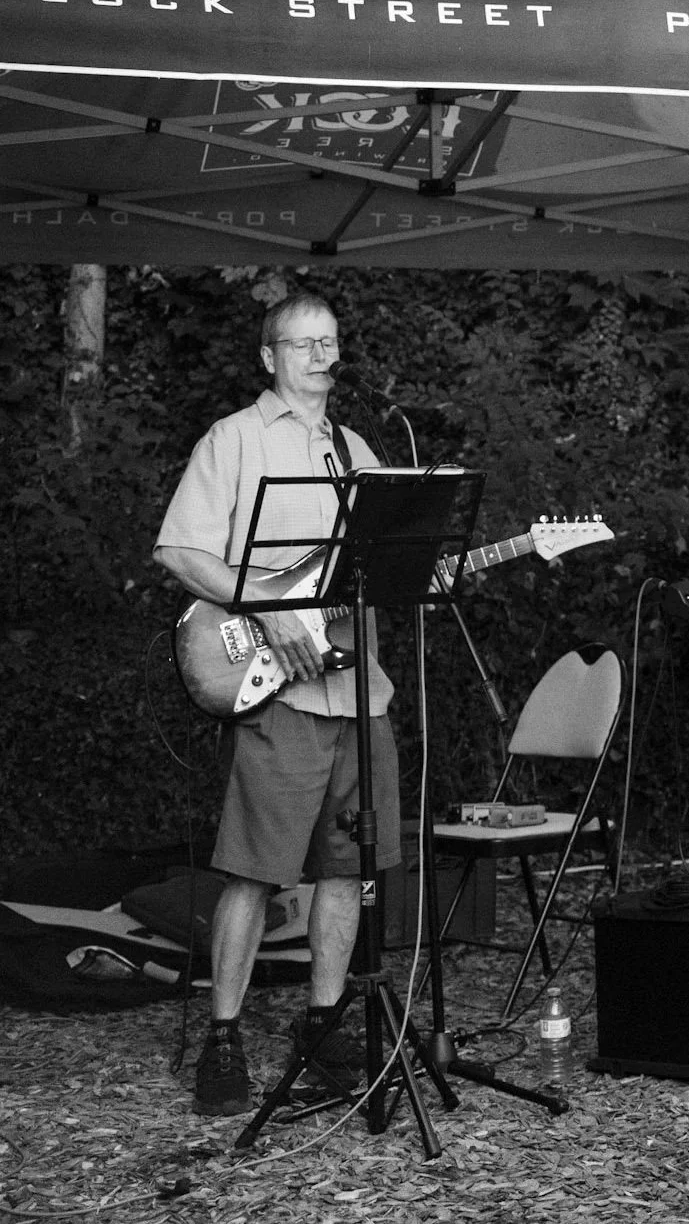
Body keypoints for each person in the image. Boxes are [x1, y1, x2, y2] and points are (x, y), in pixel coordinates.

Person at [154, 291, 402, 1117]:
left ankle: (323, 1021)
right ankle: (223, 1037)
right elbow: (182, 551)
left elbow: (382, 571)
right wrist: (272, 609)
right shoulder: (233, 438)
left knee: (345, 867)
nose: (322, 357)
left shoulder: (357, 449)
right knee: (255, 870)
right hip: (277, 690)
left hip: (356, 691)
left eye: (331, 342)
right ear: (270, 355)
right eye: (305, 344)